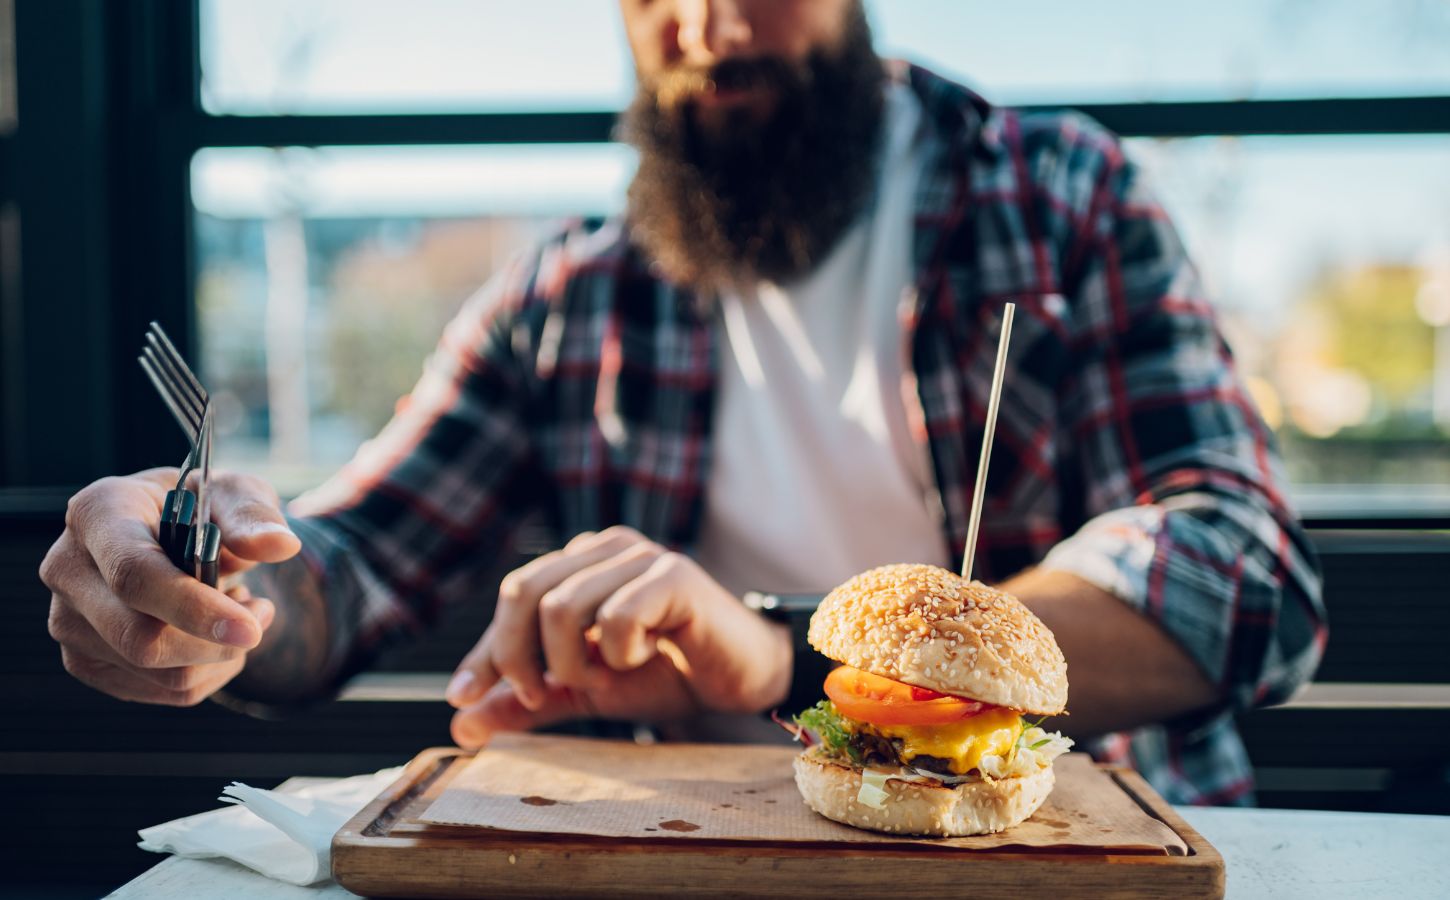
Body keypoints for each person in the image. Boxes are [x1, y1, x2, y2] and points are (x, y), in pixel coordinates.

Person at [40, 0, 1326, 806]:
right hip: (686, 841)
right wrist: (206, 580)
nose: (705, 27)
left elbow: (1243, 575)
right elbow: (355, 561)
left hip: (1065, 846)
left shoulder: (1063, 200)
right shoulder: (570, 291)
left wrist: (787, 654)